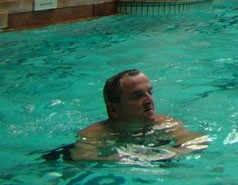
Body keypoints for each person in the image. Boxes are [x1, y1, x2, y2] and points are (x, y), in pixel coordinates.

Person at [71, 69, 207, 162]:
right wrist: (129, 157)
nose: (149, 100)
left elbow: (198, 141)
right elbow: (83, 158)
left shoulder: (165, 123)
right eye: (137, 96)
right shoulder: (95, 134)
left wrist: (169, 153)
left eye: (150, 92)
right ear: (113, 110)